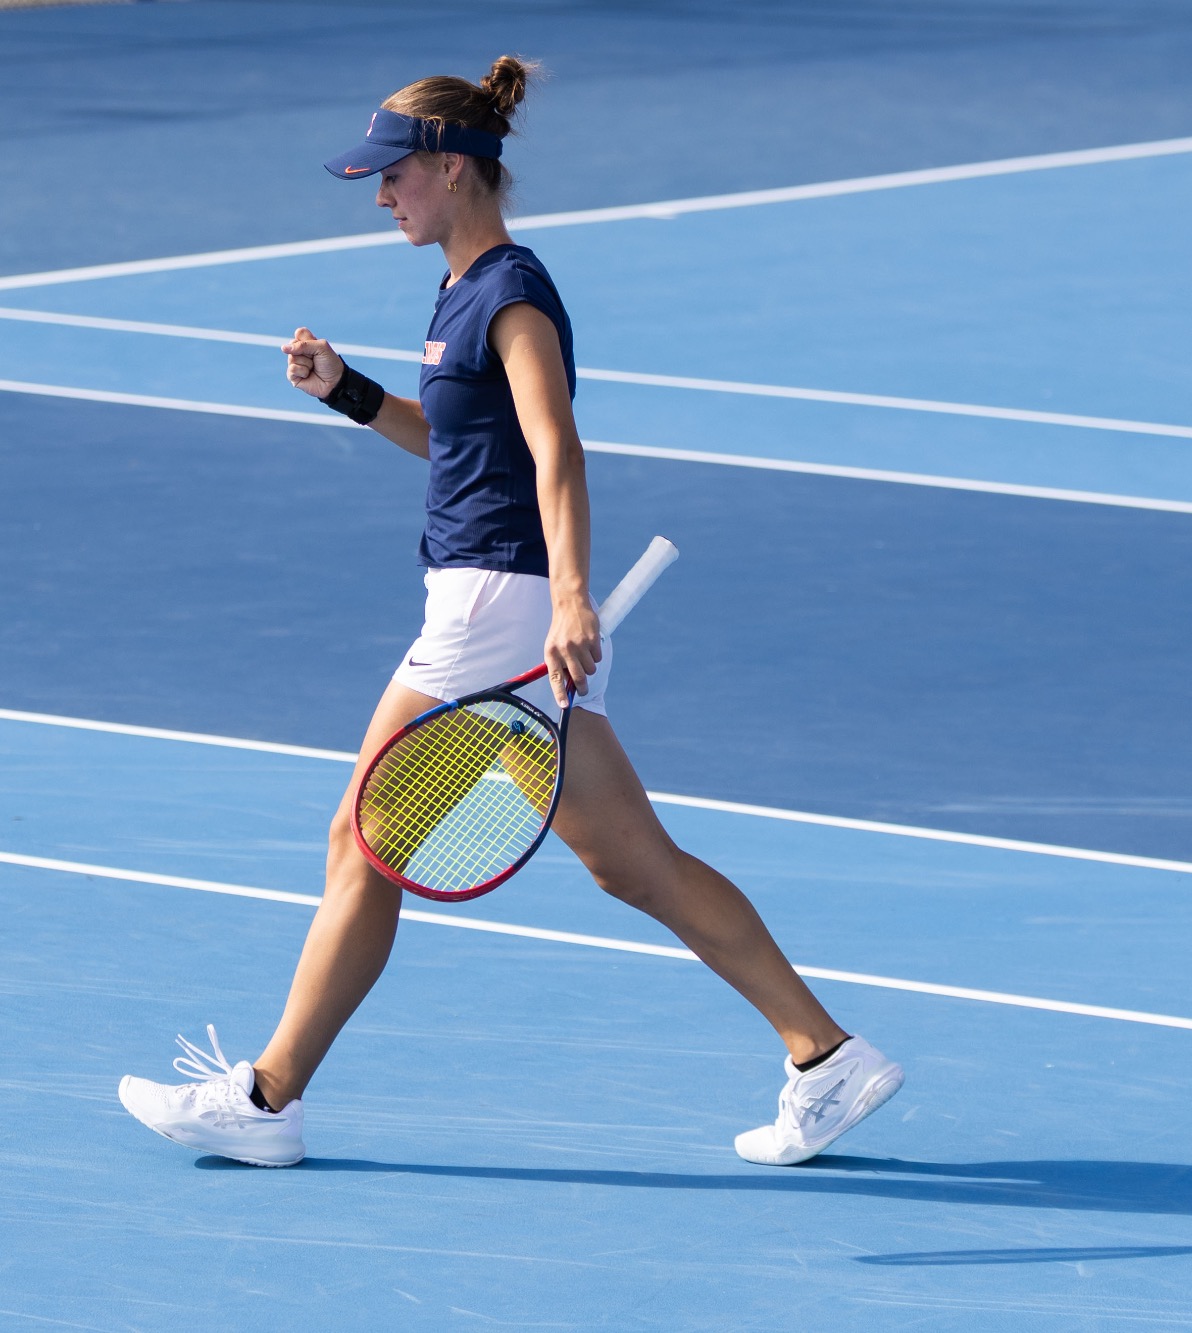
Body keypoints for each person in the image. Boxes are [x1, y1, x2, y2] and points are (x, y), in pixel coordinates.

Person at [116, 56, 901, 1170]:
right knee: (635, 866)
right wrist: (348, 392)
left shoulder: (511, 293)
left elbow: (555, 448)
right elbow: (461, 449)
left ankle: (268, 1094)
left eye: (395, 176)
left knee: (361, 837)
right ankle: (826, 1056)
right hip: (506, 598)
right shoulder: (458, 291)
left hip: (495, 609)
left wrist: (571, 597)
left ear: (454, 170)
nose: (381, 195)